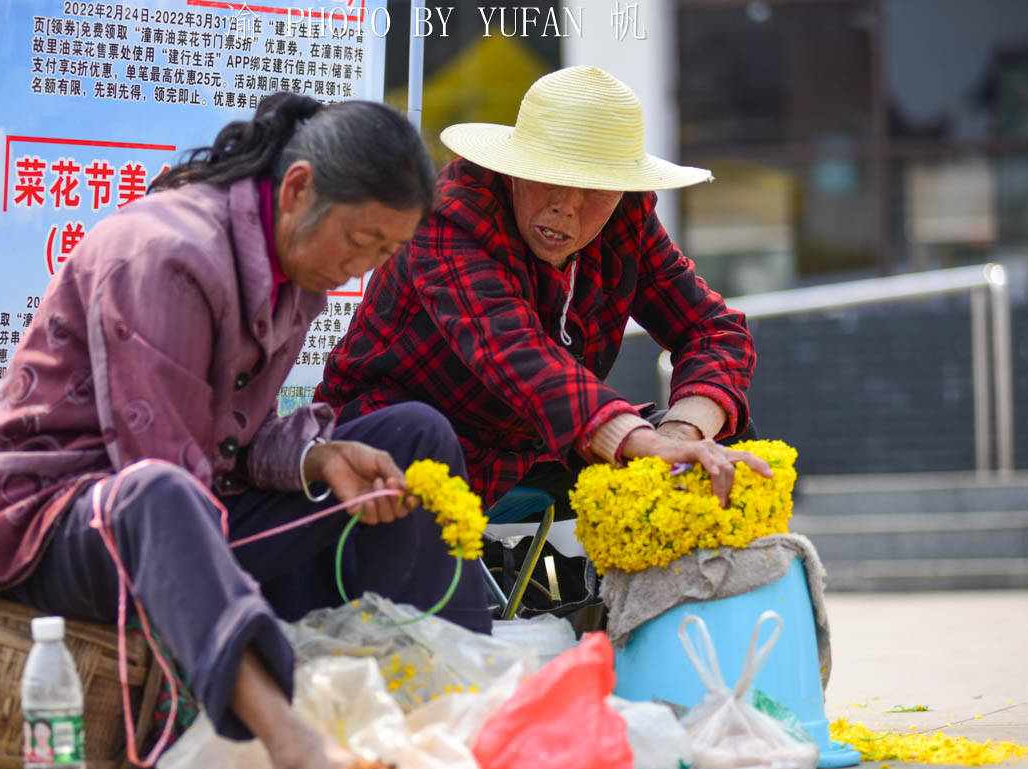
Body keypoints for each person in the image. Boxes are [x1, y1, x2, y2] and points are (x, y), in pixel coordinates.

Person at [0, 93, 490, 769]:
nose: (365, 268)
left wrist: (317, 457)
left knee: (415, 436)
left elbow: (227, 440)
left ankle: (446, 713)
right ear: (299, 188)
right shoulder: (166, 253)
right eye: (361, 239)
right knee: (165, 497)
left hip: (180, 503)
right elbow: (160, 471)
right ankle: (292, 744)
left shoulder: (294, 270)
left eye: (387, 251)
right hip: (43, 520)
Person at [316, 65, 773, 525]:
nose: (566, 207)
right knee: (422, 431)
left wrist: (681, 433)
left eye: (594, 189)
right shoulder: (450, 216)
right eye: (548, 177)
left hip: (541, 449)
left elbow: (714, 329)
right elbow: (515, 352)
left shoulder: (625, 215)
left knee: (722, 448)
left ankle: (676, 598)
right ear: (515, 169)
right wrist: (644, 442)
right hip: (405, 446)